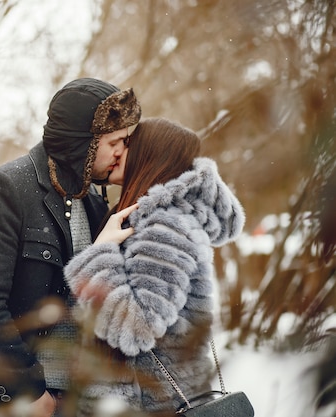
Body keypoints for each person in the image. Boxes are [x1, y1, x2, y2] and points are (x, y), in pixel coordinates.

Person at [0, 78, 141, 417]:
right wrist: (28, 391)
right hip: (10, 403)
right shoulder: (4, 190)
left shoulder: (95, 203)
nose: (122, 151)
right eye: (115, 141)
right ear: (85, 143)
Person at [64, 117, 246, 416]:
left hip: (152, 404)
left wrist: (100, 254)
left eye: (127, 145)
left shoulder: (166, 226)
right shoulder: (152, 220)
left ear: (149, 156)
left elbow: (137, 326)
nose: (118, 153)